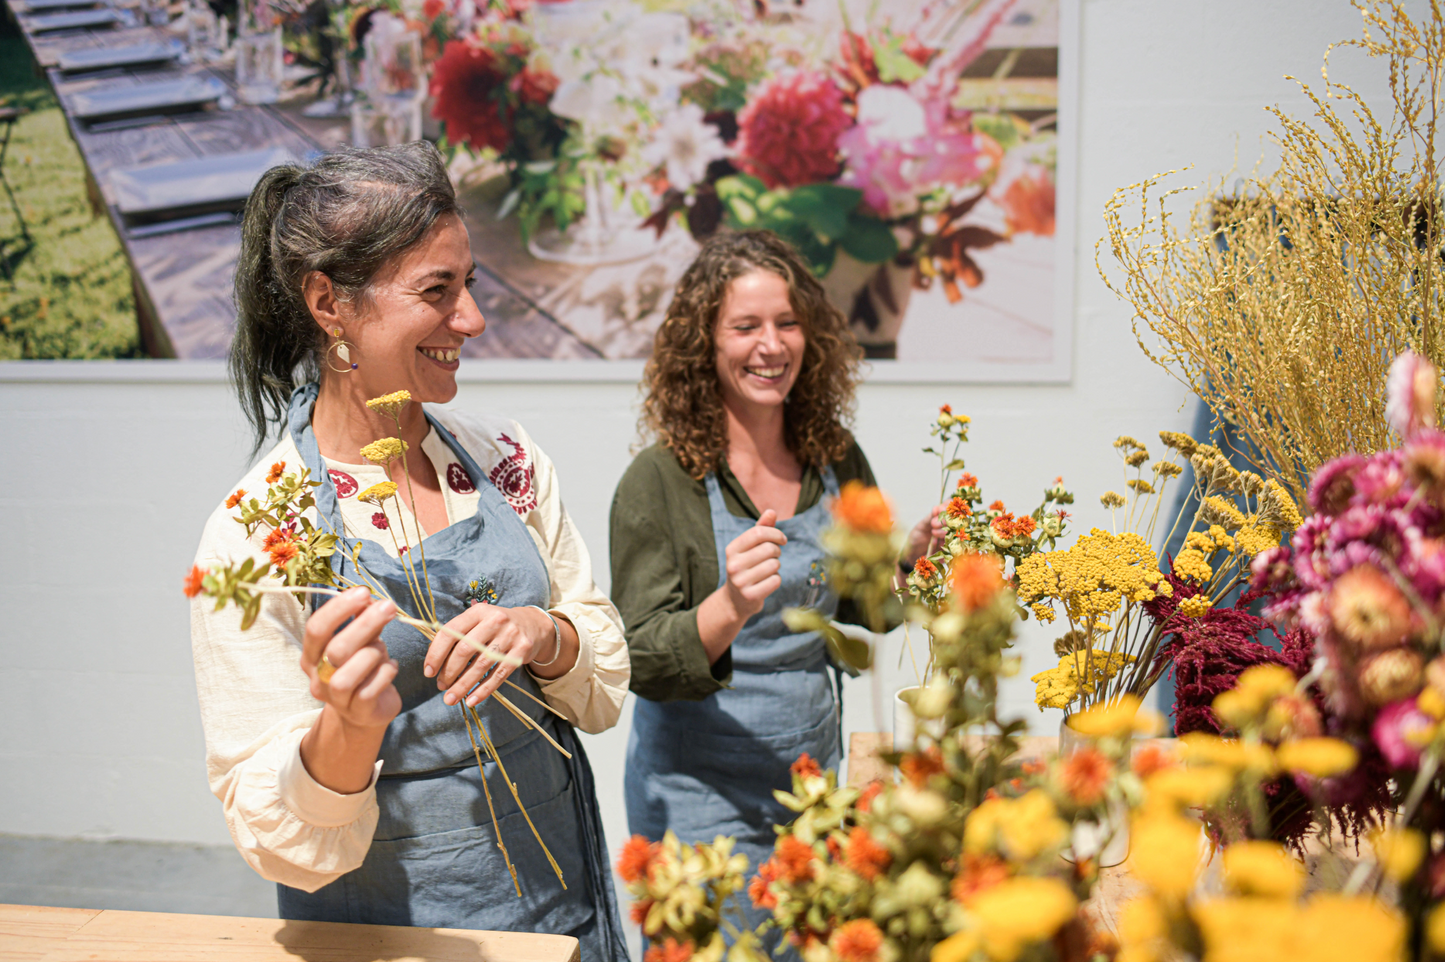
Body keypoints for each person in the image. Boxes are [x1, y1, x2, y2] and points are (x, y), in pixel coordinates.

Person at [189, 142, 629, 959]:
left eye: (468, 284)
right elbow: (276, 839)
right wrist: (349, 729)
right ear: (329, 302)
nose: (471, 319)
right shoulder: (256, 534)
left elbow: (599, 685)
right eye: (437, 291)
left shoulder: (506, 460)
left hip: (560, 921)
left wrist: (546, 635)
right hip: (389, 940)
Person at [609, 230, 938, 946]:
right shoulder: (659, 481)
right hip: (698, 798)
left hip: (811, 791)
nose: (771, 345)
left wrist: (908, 565)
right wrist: (729, 605)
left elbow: (867, 608)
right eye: (745, 326)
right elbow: (639, 657)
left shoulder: (836, 457)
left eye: (787, 323)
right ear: (705, 342)